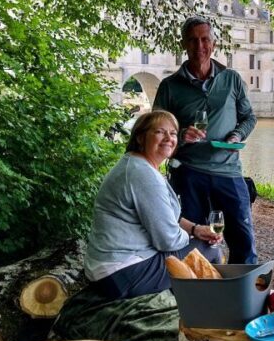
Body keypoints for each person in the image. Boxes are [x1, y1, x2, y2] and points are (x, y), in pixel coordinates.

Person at [84, 110, 222, 300]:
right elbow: (167, 241)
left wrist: (195, 229)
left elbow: (164, 216)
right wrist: (192, 236)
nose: (169, 138)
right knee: (208, 248)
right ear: (140, 137)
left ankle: (191, 299)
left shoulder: (136, 164)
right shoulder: (142, 174)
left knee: (198, 246)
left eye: (173, 133)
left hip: (109, 269)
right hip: (122, 273)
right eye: (159, 132)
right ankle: (213, 306)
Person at [154, 15, 258, 264]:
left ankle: (243, 287)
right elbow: (156, 131)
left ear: (213, 43)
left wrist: (237, 135)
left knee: (243, 243)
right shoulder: (170, 86)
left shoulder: (231, 79)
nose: (199, 46)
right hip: (189, 173)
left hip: (228, 171)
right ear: (183, 44)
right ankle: (198, 287)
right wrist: (180, 135)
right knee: (192, 244)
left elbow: (249, 117)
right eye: (192, 40)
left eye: (204, 39)